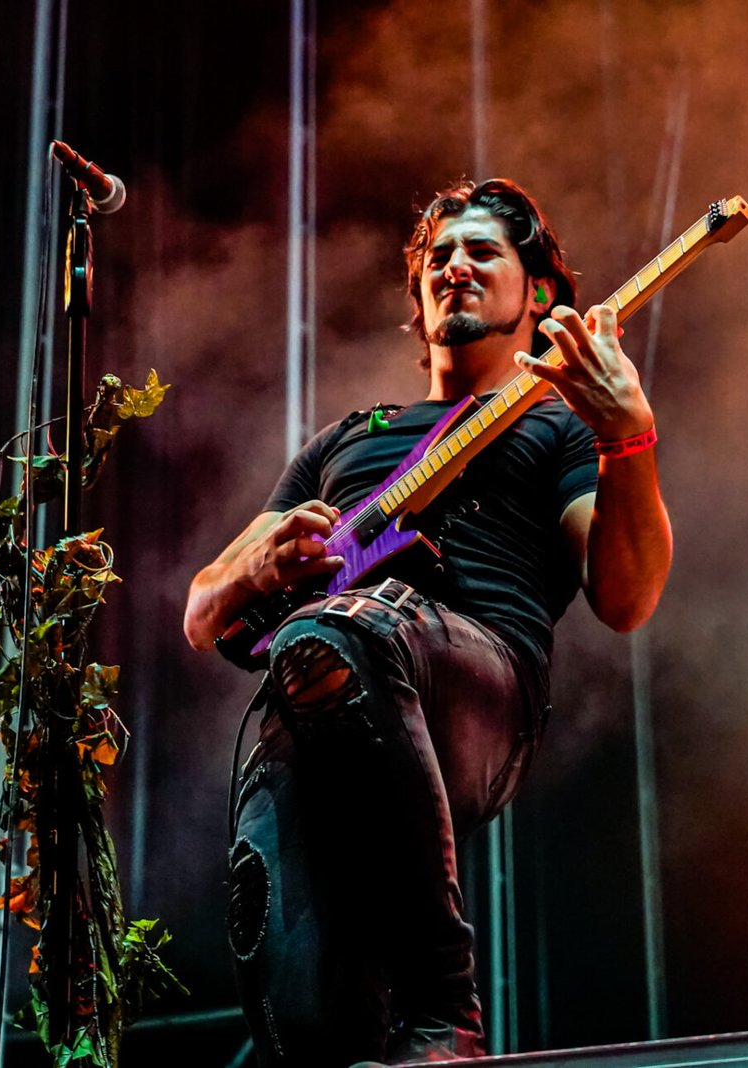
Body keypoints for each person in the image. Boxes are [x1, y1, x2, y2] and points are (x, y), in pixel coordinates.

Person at [183, 178, 673, 1066]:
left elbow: (626, 597)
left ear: (541, 294)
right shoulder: (344, 440)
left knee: (349, 629)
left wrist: (627, 437)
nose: (456, 267)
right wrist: (255, 566)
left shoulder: (559, 430)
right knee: (294, 990)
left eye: (483, 251)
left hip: (479, 686)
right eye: (439, 257)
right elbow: (202, 609)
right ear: (418, 296)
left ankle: (447, 1004)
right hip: (321, 680)